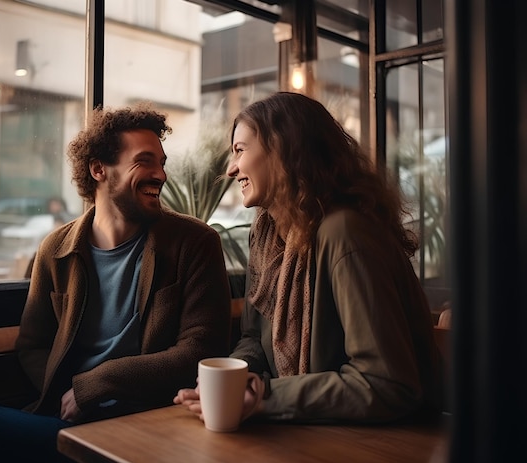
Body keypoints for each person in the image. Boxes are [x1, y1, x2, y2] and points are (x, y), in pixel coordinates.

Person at [0, 103, 232, 463]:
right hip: (66, 421)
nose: (160, 174)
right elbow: (33, 345)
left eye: (162, 163)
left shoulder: (194, 242)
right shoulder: (56, 249)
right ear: (98, 169)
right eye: (145, 161)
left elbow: (201, 351)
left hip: (148, 425)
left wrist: (96, 385)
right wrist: (69, 395)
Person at [175, 91, 444, 424]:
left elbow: (387, 385)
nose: (231, 169)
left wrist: (263, 394)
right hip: (311, 430)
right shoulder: (267, 234)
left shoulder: (345, 233)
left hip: (389, 443)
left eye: (240, 151)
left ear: (284, 150)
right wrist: (232, 383)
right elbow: (253, 340)